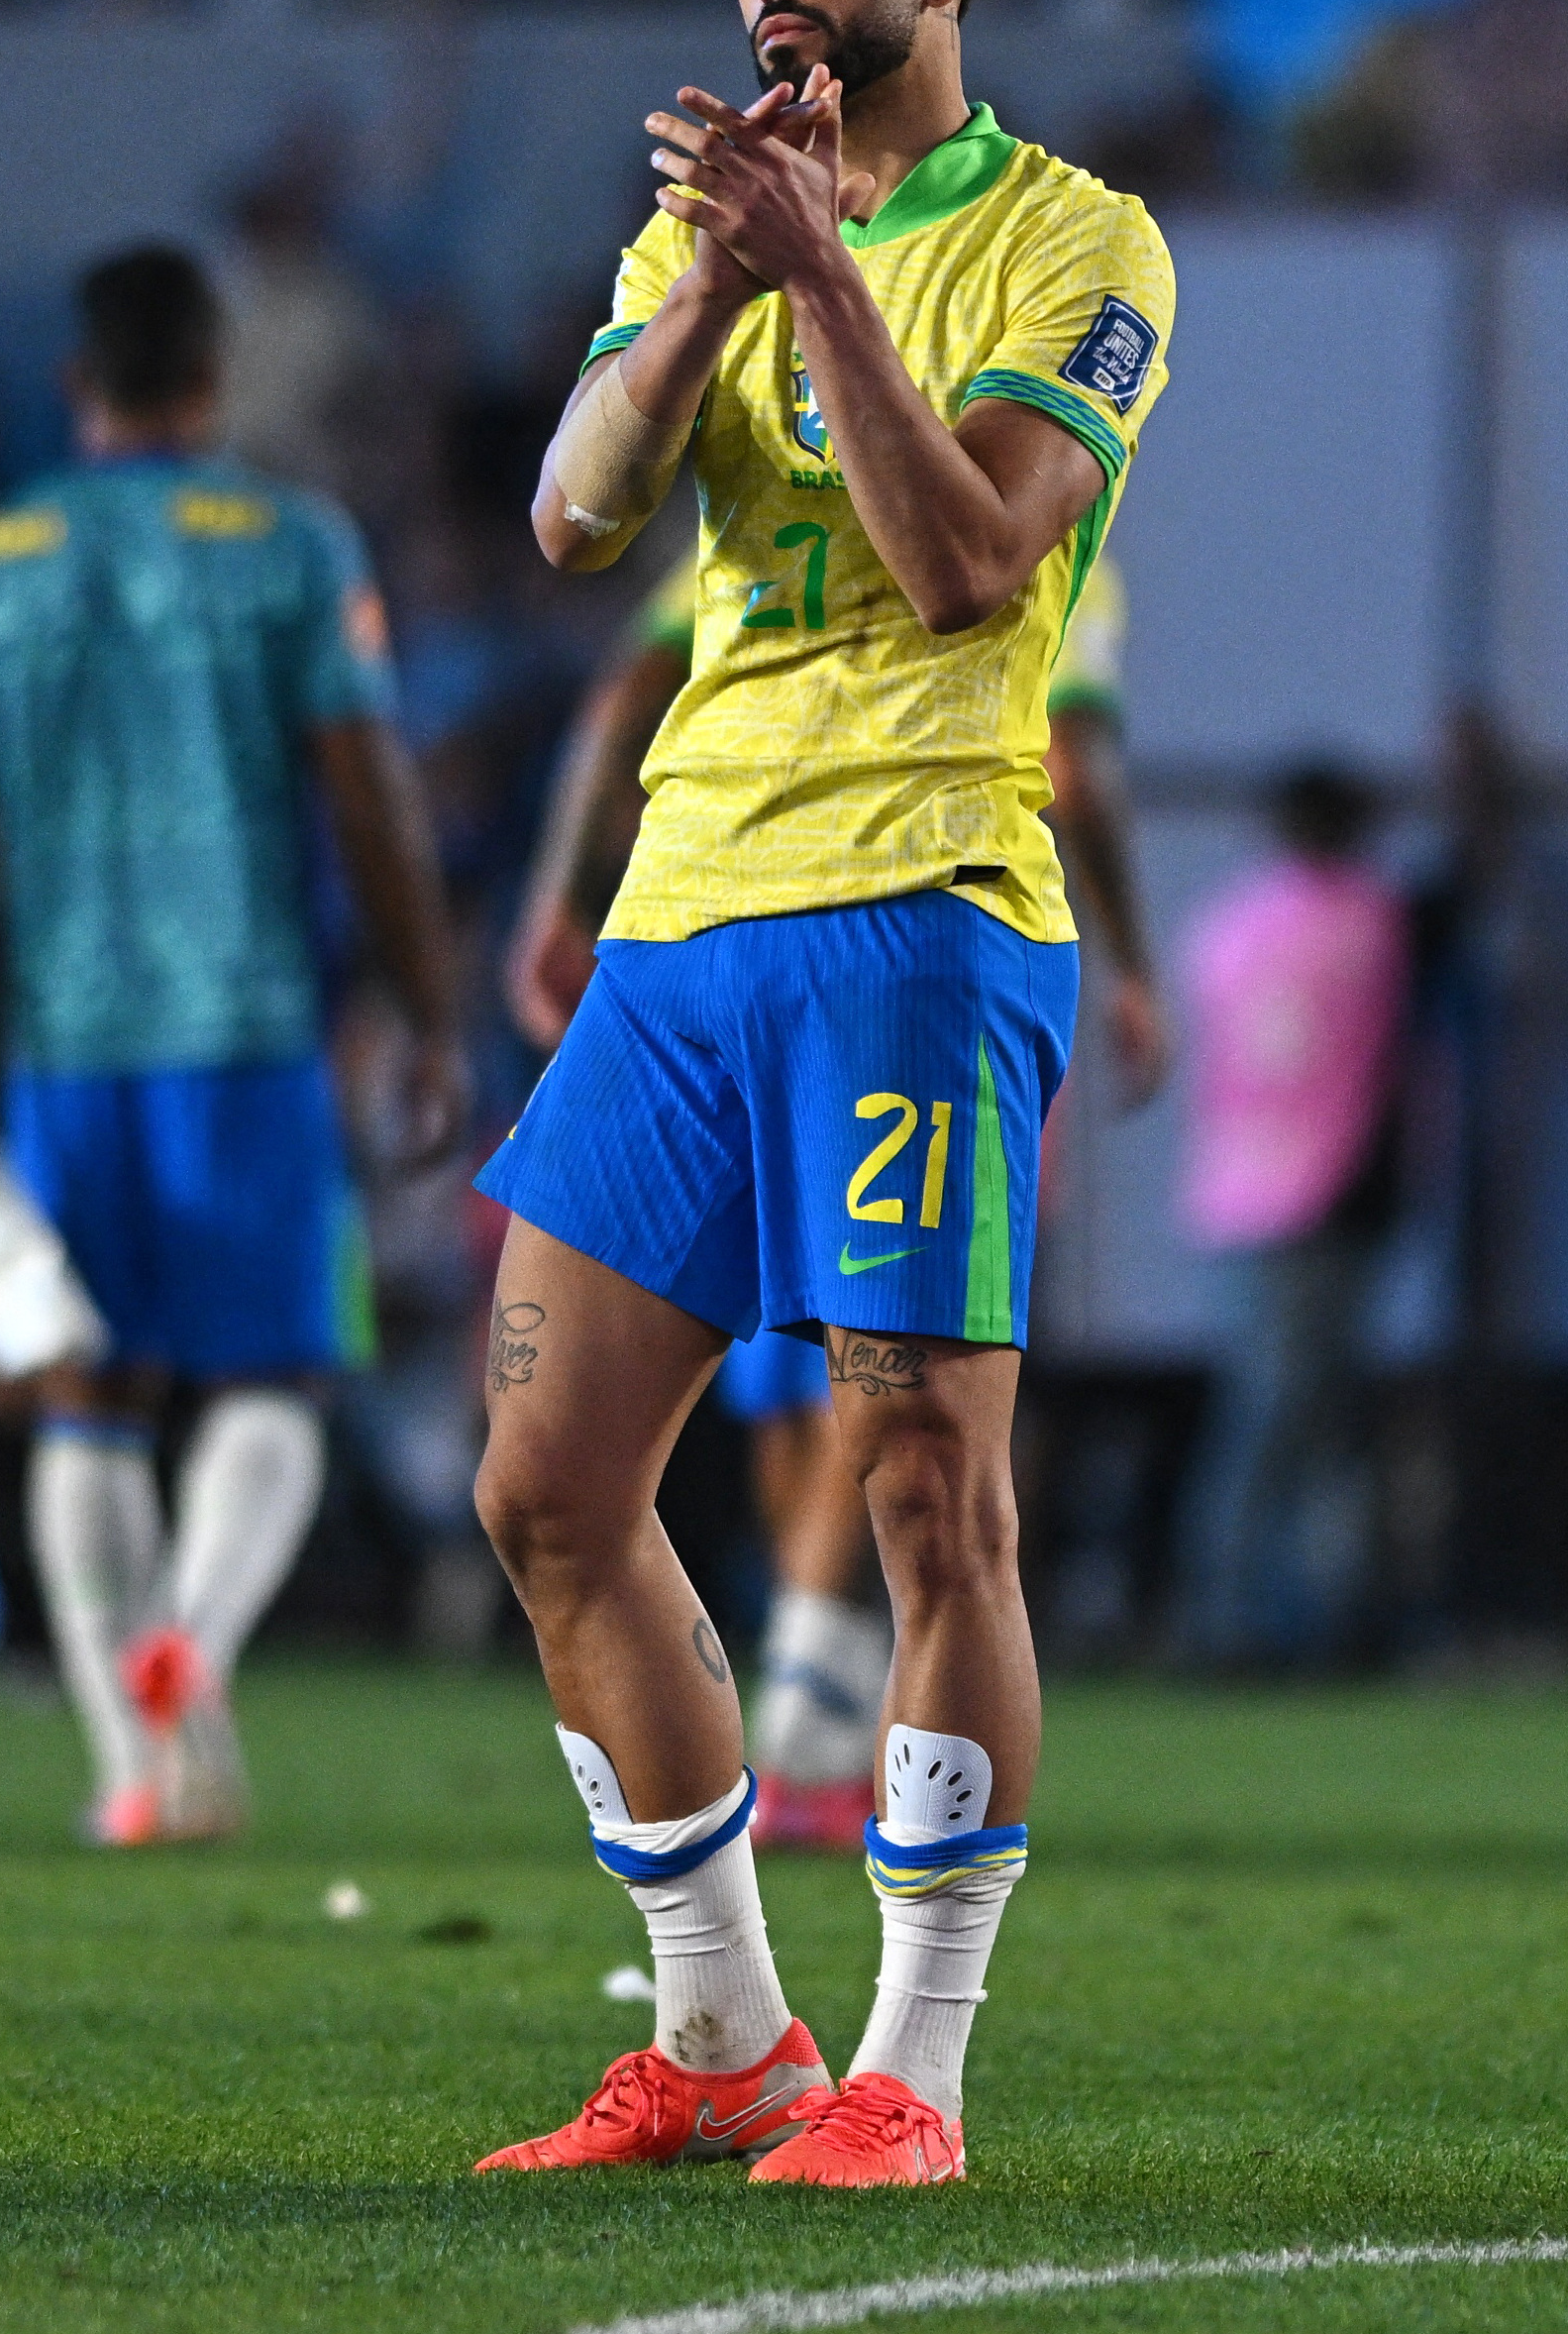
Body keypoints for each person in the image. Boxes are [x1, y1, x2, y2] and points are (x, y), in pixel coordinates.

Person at [470, 0, 1171, 2188]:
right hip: (684, 909)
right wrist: (704, 288)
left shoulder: (1083, 243)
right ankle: (722, 2031)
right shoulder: (703, 226)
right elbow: (567, 517)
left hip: (915, 908)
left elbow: (969, 567)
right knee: (544, 1486)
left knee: (914, 1490)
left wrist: (827, 284)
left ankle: (917, 2073)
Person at [0, 244, 467, 1847]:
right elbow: (368, 793)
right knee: (273, 1374)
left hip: (59, 1045)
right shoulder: (291, 546)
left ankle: (131, 1776)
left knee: (85, 1394)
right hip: (247, 1030)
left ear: (77, 387)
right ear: (210, 386)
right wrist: (424, 1008)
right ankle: (192, 1646)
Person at [498, 548, 1163, 1850]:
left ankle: (808, 1710)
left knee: (779, 1407)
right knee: (895, 1406)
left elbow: (620, 691)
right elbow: (1071, 760)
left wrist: (559, 892)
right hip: (903, 942)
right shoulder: (1008, 502)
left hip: (708, 931)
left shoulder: (753, 476)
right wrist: (1131, 962)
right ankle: (808, 1718)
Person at [1170, 762, 1409, 1669]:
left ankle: (1239, 1609)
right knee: (1309, 1420)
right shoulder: (1366, 919)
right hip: (1327, 1194)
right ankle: (1291, 1617)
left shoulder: (1226, 927)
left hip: (1235, 1193)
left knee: (1262, 1414)